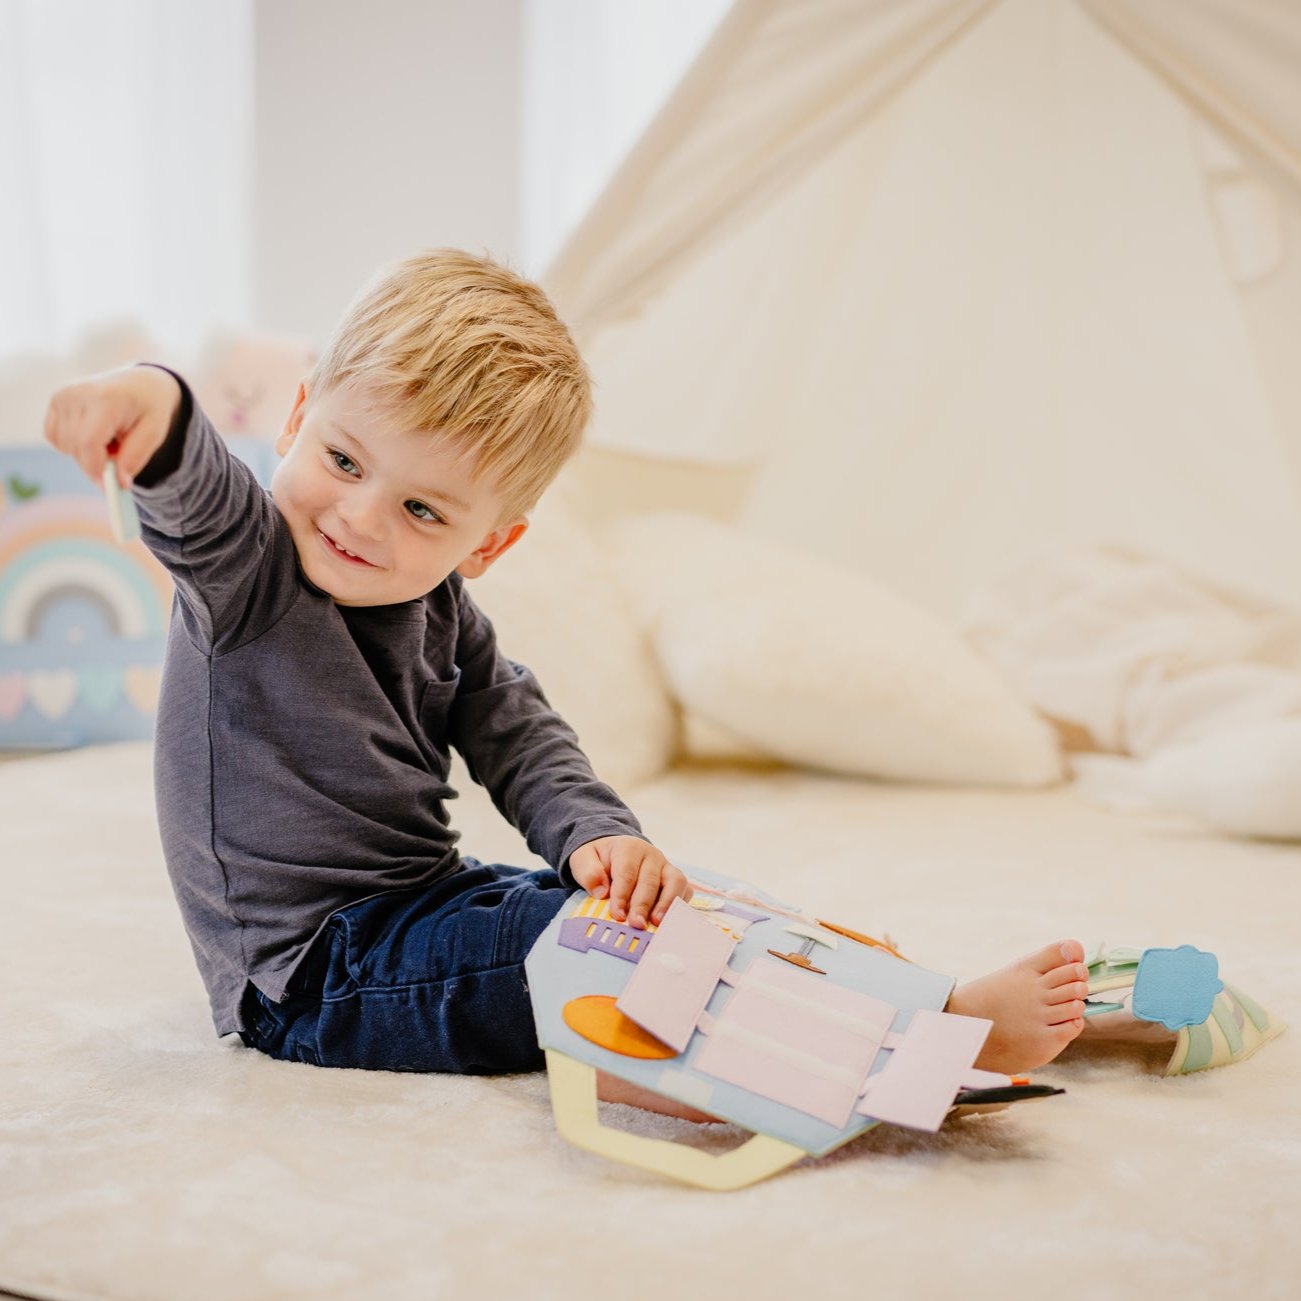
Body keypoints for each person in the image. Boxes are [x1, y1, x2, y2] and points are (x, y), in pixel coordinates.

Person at [44, 249, 1088, 1106]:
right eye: (347, 460)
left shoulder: (444, 610)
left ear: (488, 545)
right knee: (585, 950)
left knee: (682, 906)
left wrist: (599, 837)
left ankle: (918, 998)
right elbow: (197, 479)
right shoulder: (249, 571)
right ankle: (875, 1047)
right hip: (312, 978)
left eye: (423, 511)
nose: (360, 517)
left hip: (421, 906)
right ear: (298, 417)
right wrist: (143, 397)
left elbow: (517, 729)